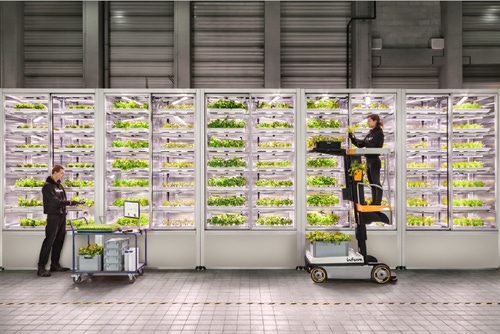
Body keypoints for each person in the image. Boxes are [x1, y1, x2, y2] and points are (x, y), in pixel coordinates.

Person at [37, 165, 82, 277]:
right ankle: (41, 267)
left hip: (62, 216)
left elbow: (62, 200)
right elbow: (54, 202)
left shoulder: (59, 186)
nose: (62, 175)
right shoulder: (47, 186)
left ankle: (55, 264)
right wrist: (70, 202)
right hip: (53, 216)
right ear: (55, 172)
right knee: (49, 241)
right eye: (61, 173)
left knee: (59, 241)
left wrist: (69, 204)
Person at [348, 114, 384, 205]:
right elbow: (361, 144)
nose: (368, 123)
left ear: (375, 121)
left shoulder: (379, 133)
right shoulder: (370, 133)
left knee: (376, 181)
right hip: (368, 160)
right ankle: (374, 201)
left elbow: (374, 145)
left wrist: (363, 142)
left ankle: (377, 202)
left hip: (374, 160)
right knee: (371, 182)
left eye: (369, 121)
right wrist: (352, 138)